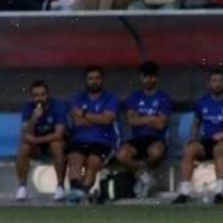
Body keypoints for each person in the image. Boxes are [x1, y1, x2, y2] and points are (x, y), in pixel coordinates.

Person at [174, 69, 223, 204]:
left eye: (220, 81)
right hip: (207, 141)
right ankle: (185, 192)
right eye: (214, 81)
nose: (217, 84)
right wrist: (192, 138)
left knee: (218, 149)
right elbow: (196, 123)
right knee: (189, 150)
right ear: (208, 84)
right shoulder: (202, 102)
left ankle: (219, 192)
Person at [117, 61, 172, 200]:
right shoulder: (134, 97)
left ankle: (143, 176)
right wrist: (152, 118)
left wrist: (140, 118)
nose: (149, 80)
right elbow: (130, 121)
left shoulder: (164, 98)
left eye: (151, 76)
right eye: (145, 76)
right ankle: (144, 176)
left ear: (156, 78)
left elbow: (160, 125)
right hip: (138, 139)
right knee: (121, 155)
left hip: (156, 138)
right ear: (141, 78)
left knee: (156, 152)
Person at [66, 67, 121, 202]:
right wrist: (98, 118)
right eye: (91, 78)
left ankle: (81, 192)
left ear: (102, 80)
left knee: (93, 161)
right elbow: (78, 121)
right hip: (79, 139)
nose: (94, 81)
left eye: (97, 78)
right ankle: (77, 191)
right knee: (75, 159)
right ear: (86, 80)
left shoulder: (110, 98)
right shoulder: (77, 98)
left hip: (103, 141)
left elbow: (107, 120)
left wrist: (84, 114)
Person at [14, 80, 68, 202]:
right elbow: (24, 134)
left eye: (42, 94)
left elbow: (58, 134)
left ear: (48, 94)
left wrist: (36, 140)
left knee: (56, 145)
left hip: (51, 142)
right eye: (36, 95)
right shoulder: (29, 108)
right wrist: (33, 119)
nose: (39, 98)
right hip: (36, 145)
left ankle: (60, 186)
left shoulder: (58, 107)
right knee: (23, 148)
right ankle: (22, 187)